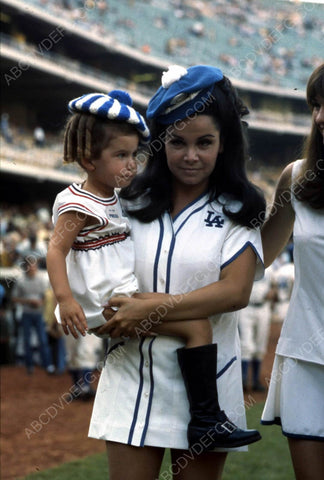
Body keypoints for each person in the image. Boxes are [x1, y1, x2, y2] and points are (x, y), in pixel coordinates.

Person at [46, 88, 259, 439]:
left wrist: (146, 307)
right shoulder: (84, 201)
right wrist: (65, 300)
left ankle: (206, 417)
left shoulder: (115, 198)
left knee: (197, 326)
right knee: (196, 327)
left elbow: (236, 292)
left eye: (133, 154)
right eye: (121, 155)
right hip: (105, 307)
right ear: (88, 159)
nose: (131, 163)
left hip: (117, 299)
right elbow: (55, 250)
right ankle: (206, 417)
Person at [87, 64, 266, 480]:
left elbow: (234, 293)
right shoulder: (124, 203)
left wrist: (145, 308)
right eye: (177, 142)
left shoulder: (239, 208)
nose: (190, 155)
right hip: (131, 375)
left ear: (224, 144)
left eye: (205, 142)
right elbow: (103, 295)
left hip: (206, 392)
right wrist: (160, 316)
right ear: (160, 142)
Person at [261, 63, 324, 480]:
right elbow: (255, 258)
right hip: (305, 357)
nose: (320, 117)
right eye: (315, 105)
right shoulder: (297, 178)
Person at [11, 258, 55, 375]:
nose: (32, 268)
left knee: (43, 340)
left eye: (34, 266)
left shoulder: (42, 279)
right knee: (26, 340)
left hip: (39, 313)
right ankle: (29, 365)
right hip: (27, 313)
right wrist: (28, 301)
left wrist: (40, 302)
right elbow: (14, 298)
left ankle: (48, 365)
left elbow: (48, 295)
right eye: (30, 266)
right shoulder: (21, 281)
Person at [239, 266, 277, 391]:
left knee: (260, 345)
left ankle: (255, 381)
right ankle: (243, 380)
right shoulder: (245, 261)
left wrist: (273, 291)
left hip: (263, 307)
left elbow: (273, 284)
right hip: (246, 307)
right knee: (247, 345)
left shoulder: (270, 265)